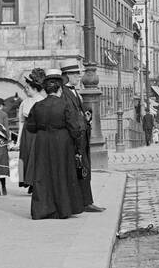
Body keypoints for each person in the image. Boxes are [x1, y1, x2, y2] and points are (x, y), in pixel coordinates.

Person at [22, 70, 86, 220]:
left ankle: (42, 209)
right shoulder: (65, 105)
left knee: (43, 174)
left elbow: (30, 127)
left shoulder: (38, 106)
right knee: (62, 173)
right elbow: (75, 128)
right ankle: (62, 209)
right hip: (62, 142)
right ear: (59, 89)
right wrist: (77, 144)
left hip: (43, 141)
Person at [60, 64, 102, 213]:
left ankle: (86, 201)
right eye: (76, 75)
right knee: (81, 168)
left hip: (82, 134)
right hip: (75, 137)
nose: (79, 77)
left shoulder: (74, 92)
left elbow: (78, 111)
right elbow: (69, 115)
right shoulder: (64, 93)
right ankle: (84, 202)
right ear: (67, 75)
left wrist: (86, 116)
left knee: (84, 168)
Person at [18, 69, 46, 193]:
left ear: (35, 88)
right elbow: (21, 121)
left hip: (37, 133)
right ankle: (28, 182)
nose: (26, 90)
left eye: (28, 87)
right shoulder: (24, 102)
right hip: (26, 134)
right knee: (26, 156)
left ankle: (36, 183)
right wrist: (18, 140)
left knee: (36, 157)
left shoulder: (42, 101)